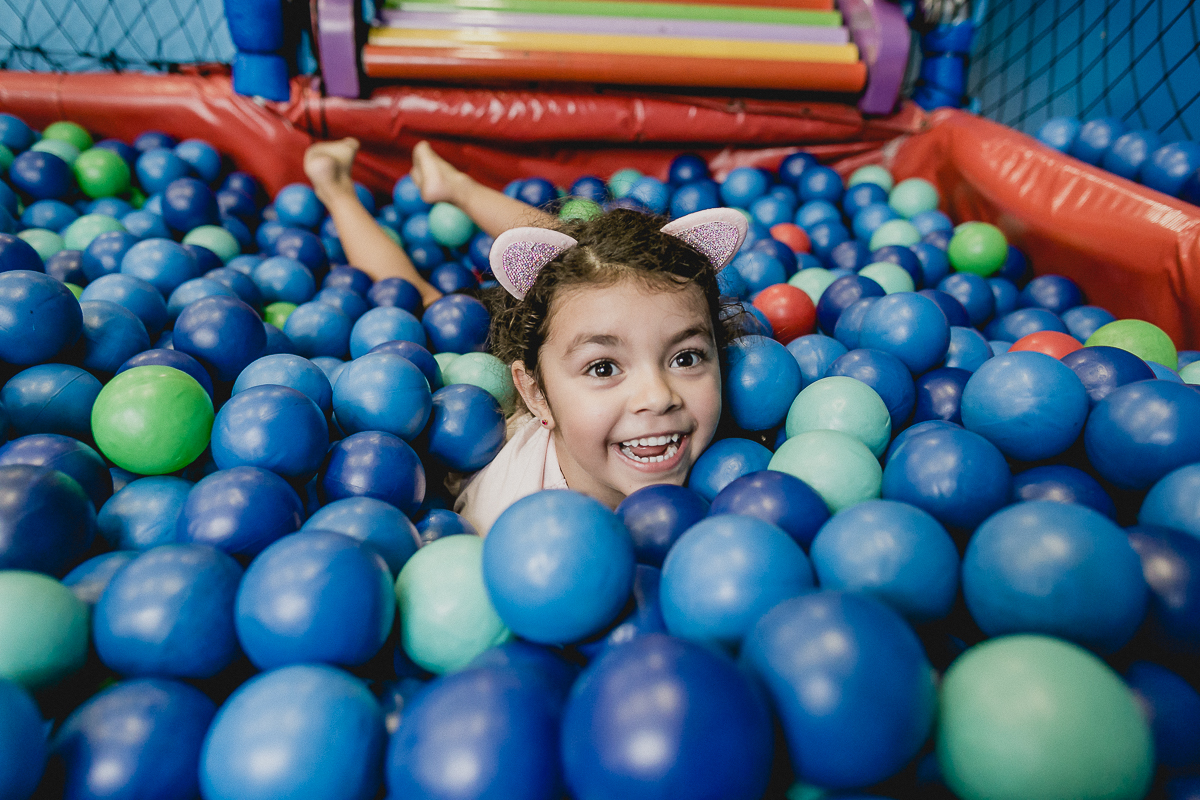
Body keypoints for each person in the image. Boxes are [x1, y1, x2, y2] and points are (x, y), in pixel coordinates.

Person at [305, 138, 747, 534]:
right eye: (604, 368)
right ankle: (335, 187)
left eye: (686, 358)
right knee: (422, 303)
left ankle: (455, 186)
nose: (658, 396)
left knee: (596, 265)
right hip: (472, 367)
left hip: (554, 334)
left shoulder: (731, 459)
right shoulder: (510, 524)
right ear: (536, 396)